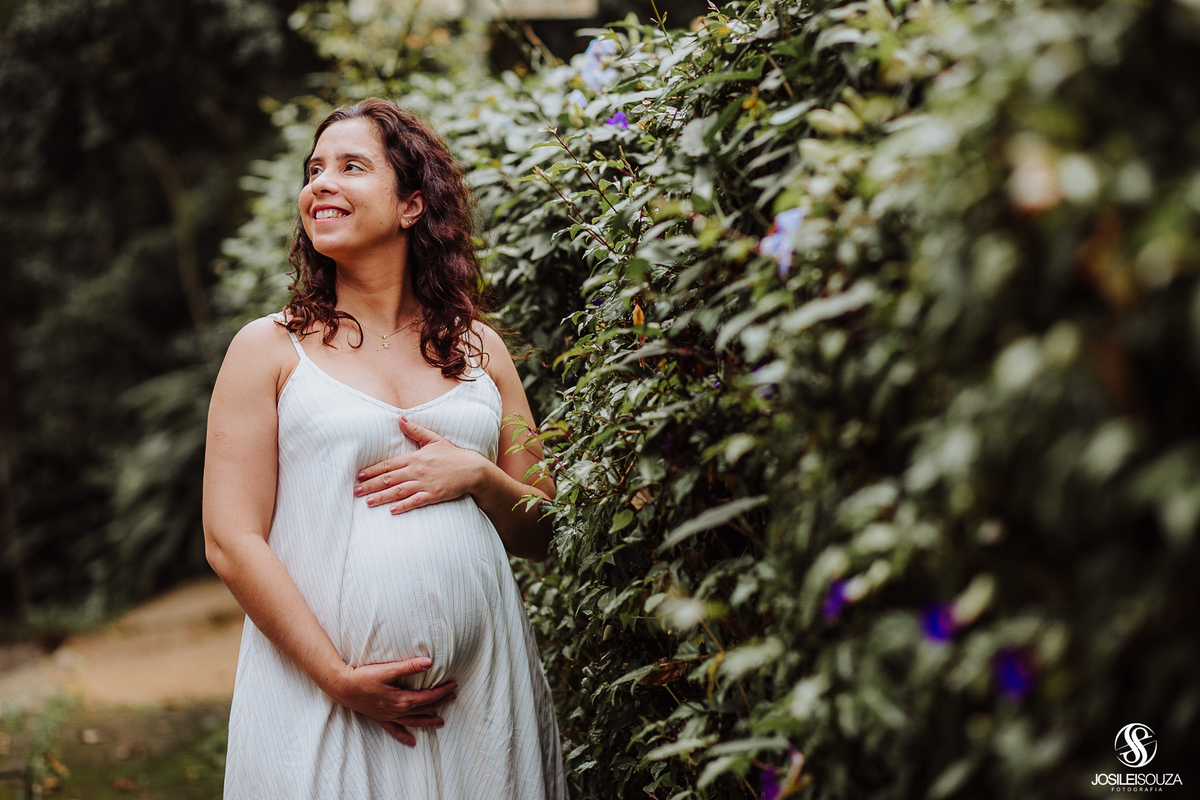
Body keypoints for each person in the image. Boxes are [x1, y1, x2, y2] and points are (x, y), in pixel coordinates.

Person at [202, 98, 567, 799]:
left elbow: (544, 530)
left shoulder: (480, 349)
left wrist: (481, 477)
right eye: (314, 170)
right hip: (322, 697)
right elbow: (230, 540)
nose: (321, 183)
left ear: (411, 206)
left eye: (351, 166)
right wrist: (338, 678)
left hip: (483, 697)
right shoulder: (268, 349)